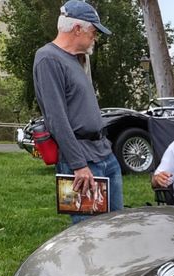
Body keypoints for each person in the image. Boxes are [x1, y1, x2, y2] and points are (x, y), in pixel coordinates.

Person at [32, 1, 122, 224]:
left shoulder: (77, 59)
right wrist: (78, 165)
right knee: (87, 235)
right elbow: (56, 119)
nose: (95, 37)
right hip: (82, 162)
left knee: (117, 227)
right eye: (94, 31)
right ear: (77, 29)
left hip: (103, 153)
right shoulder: (48, 59)